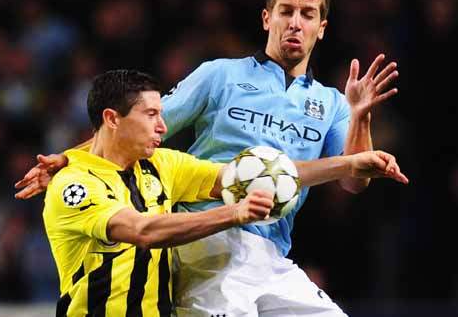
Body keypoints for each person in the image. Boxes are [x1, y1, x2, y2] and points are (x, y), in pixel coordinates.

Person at [16, 0, 404, 316]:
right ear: (267, 18)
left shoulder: (333, 103)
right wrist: (71, 159)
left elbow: (355, 179)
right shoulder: (220, 76)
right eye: (286, 11)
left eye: (307, 15)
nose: (295, 24)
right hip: (205, 239)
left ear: (322, 27)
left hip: (271, 249)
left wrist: (360, 115)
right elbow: (138, 126)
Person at [41, 68, 406, 316]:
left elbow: (262, 176)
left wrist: (348, 164)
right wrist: (234, 213)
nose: (163, 125)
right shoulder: (74, 185)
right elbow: (143, 231)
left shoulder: (163, 165)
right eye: (151, 115)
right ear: (111, 119)